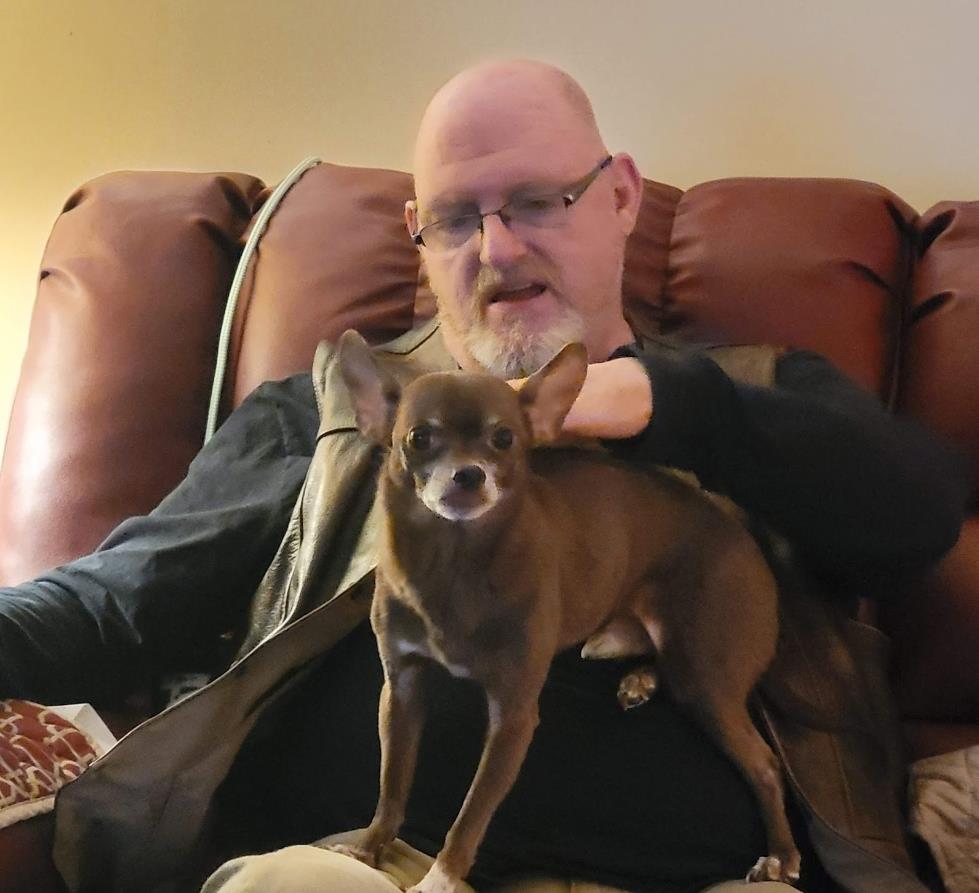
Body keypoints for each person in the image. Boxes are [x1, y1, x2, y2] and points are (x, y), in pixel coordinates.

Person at [0, 60, 968, 893]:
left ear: (621, 196)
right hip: (367, 868)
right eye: (457, 219)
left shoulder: (756, 394)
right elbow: (114, 601)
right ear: (418, 237)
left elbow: (916, 513)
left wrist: (662, 403)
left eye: (540, 201)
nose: (498, 249)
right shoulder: (329, 410)